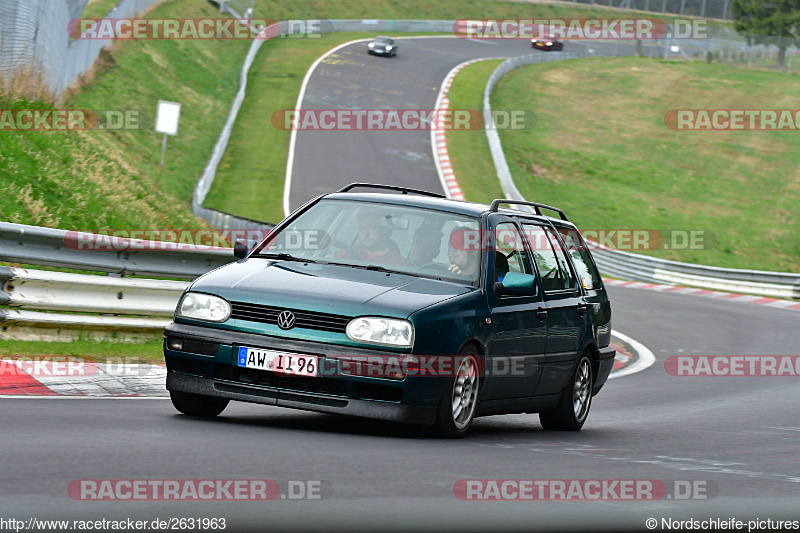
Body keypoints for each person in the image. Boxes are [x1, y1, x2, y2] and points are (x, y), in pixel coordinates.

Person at [336, 209, 407, 264]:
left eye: (371, 228)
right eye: (361, 228)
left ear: (383, 230)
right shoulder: (344, 256)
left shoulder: (399, 263)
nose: (365, 234)